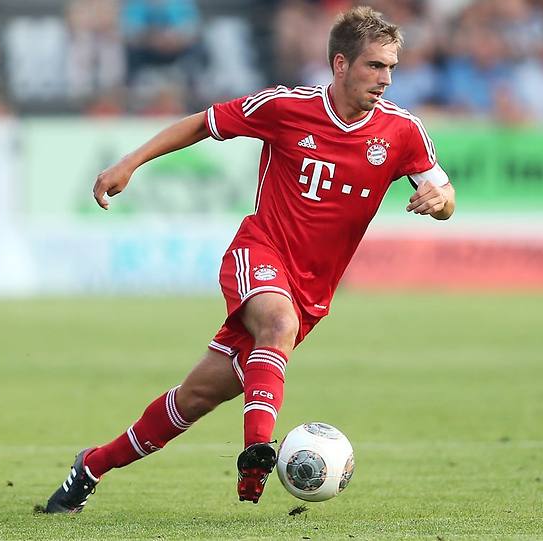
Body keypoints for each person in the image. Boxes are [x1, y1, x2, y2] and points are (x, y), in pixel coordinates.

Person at [44, 5, 455, 513]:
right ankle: (257, 452)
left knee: (193, 399)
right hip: (259, 251)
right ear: (340, 64)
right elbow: (204, 123)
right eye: (375, 65)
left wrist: (440, 201)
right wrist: (129, 163)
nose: (386, 79)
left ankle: (91, 466)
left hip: (312, 292)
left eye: (391, 67)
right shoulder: (286, 106)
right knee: (277, 323)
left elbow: (445, 194)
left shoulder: (402, 131)